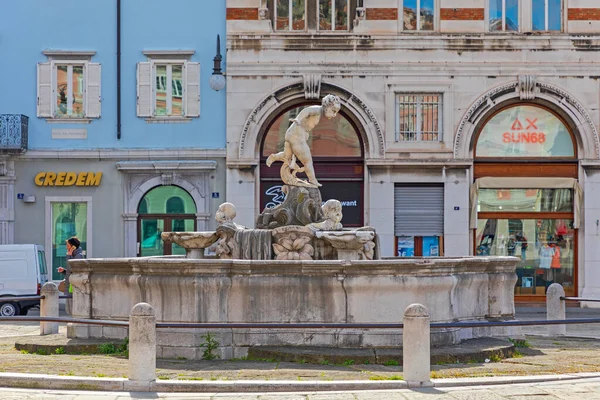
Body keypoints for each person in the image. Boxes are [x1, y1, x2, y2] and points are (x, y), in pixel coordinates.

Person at [266, 94, 341, 187]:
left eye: (336, 112)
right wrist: (298, 119)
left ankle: (274, 157)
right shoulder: (317, 109)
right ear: (327, 107)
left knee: (287, 156)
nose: (334, 115)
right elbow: (307, 111)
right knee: (307, 161)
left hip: (291, 134)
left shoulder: (319, 112)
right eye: (333, 111)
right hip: (297, 136)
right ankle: (313, 180)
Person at [57, 237, 83, 315]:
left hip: (73, 286)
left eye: (67, 245)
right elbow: (71, 270)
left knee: (72, 309)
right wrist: (64, 271)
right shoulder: (74, 255)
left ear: (73, 247)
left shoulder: (78, 256)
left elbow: (73, 270)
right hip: (71, 285)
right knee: (69, 308)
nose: (66, 247)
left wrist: (68, 256)